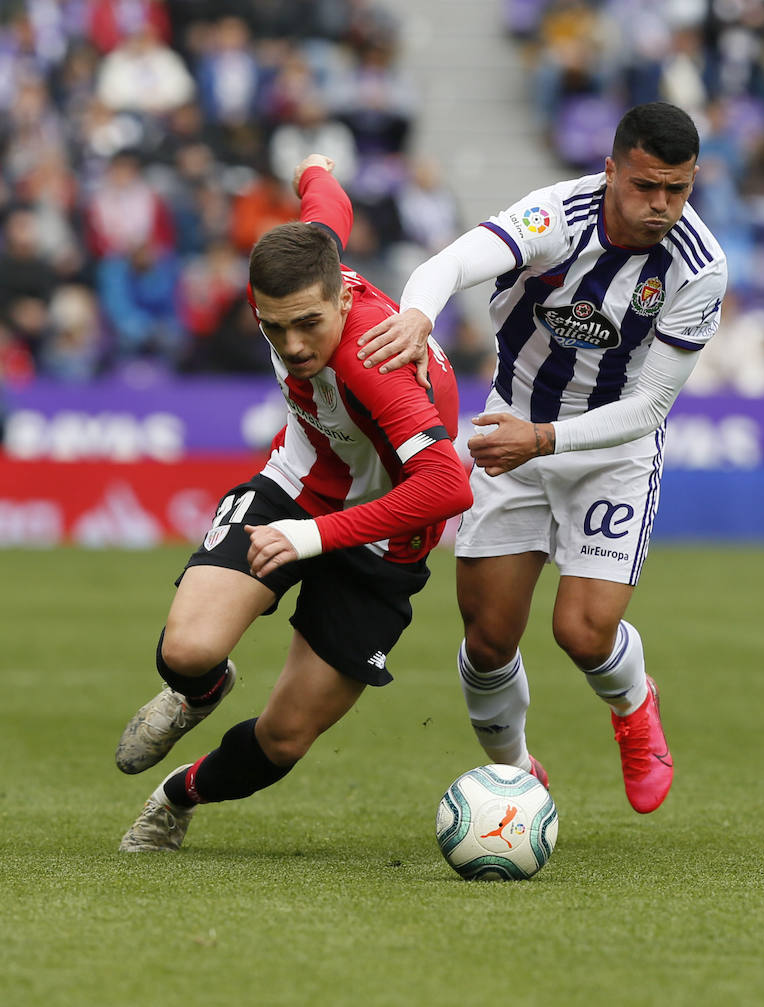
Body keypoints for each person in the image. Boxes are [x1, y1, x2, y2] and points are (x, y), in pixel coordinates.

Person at [356, 102, 728, 815]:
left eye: (677, 189)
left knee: (582, 632)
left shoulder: (699, 266)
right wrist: (418, 315)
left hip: (613, 449)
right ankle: (516, 774)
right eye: (645, 185)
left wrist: (544, 439)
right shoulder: (557, 215)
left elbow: (650, 406)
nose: (660, 204)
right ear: (611, 170)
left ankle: (635, 708)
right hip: (511, 431)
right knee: (488, 638)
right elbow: (449, 263)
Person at [115, 153, 472, 852]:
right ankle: (200, 692)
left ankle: (176, 796)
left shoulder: (374, 362)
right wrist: (314, 166)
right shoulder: (308, 269)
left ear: (343, 299)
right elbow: (327, 204)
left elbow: (445, 487)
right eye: (274, 327)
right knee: (186, 650)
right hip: (297, 484)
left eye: (308, 323)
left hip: (385, 537)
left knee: (282, 739)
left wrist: (313, 538)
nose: (293, 345)